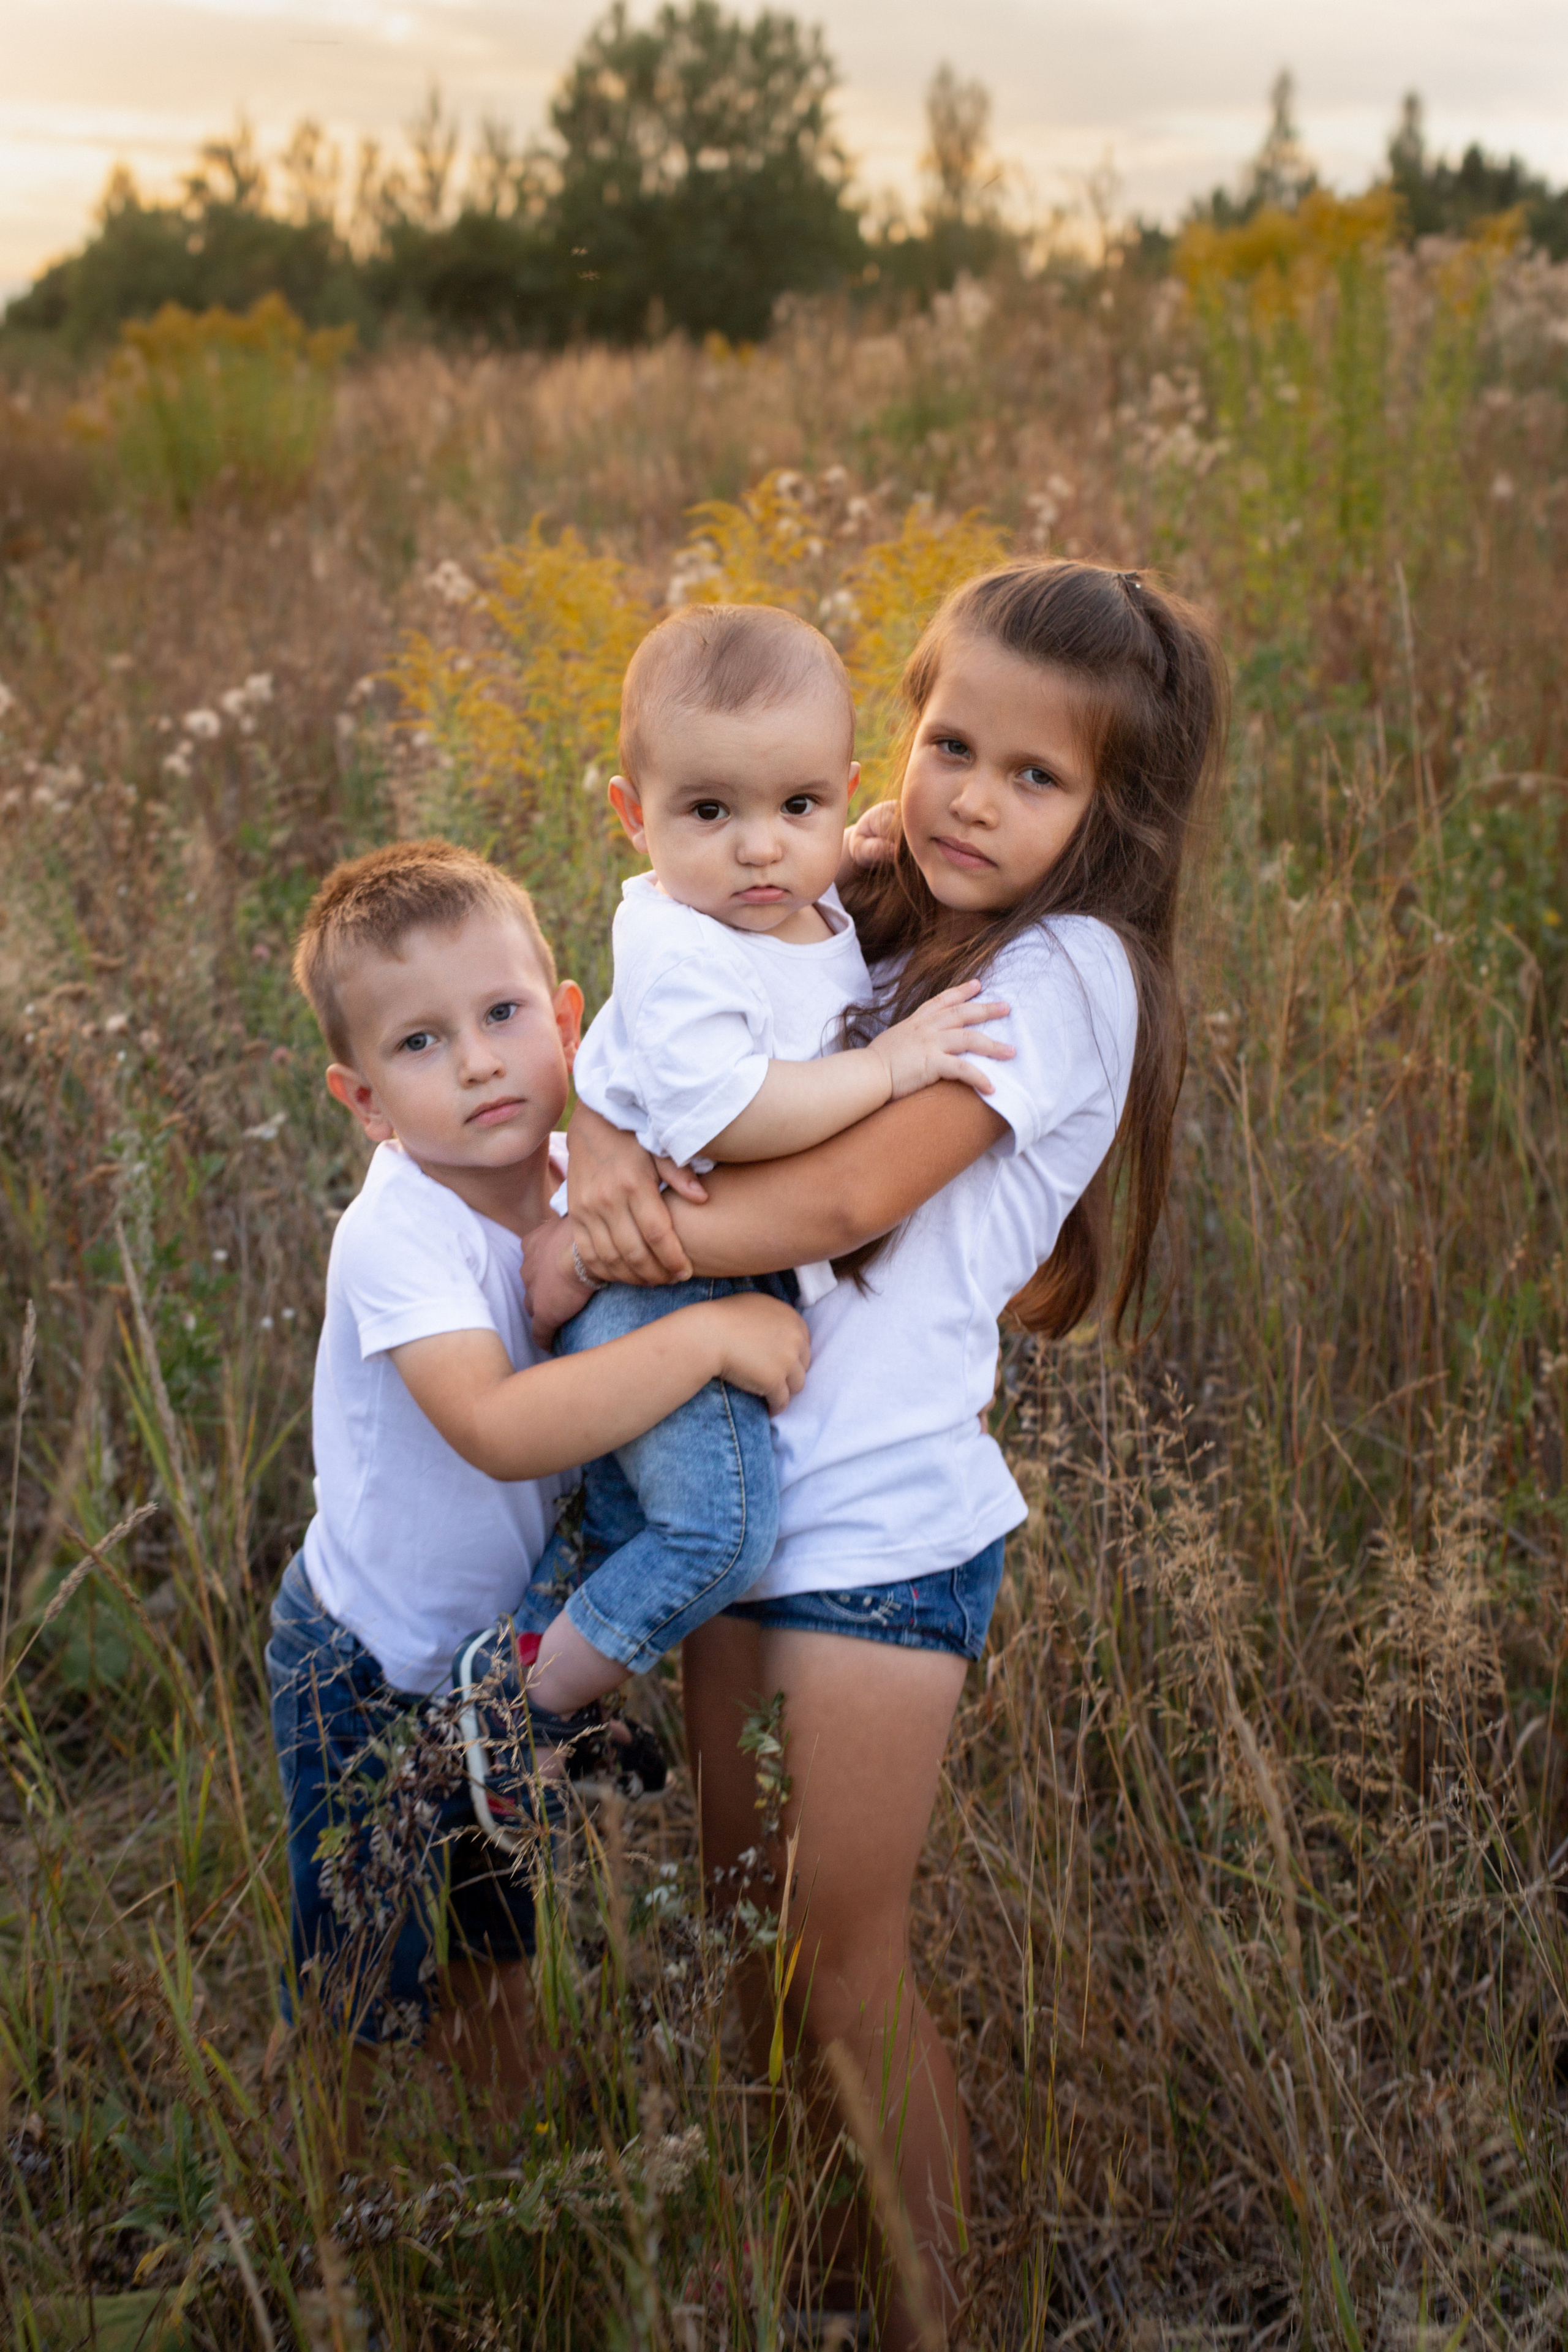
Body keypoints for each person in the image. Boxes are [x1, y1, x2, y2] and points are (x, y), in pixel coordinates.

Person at [527, 560, 1227, 2344]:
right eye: (950, 745)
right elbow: (663, 1016)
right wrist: (603, 1130)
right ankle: (812, 2292)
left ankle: (944, 2315)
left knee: (844, 1970)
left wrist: (603, 1231)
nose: (973, 796)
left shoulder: (1067, 971)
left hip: (882, 1529)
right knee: (743, 1928)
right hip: (741, 1500)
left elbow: (845, 1189)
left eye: (1037, 774)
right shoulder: (857, 904)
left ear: (1115, 813)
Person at [265, 837, 808, 2128]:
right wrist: (711, 1339)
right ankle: (322, 2206)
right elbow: (502, 1428)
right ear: (364, 1102)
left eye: (502, 1015)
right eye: (418, 1045)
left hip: (501, 1671)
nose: (475, 1061)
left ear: (565, 1019)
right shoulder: (397, 1235)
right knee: (363, 1974)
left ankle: (503, 2163)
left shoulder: (573, 1179)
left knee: (496, 1946)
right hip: (367, 1663)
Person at [457, 602, 1009, 1787]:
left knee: (613, 1518)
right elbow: (732, 1115)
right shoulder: (680, 947)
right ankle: (517, 1716)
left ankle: (536, 1660)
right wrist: (897, 1065)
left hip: (688, 1261)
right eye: (710, 813)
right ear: (632, 815)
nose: (761, 849)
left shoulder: (790, 901)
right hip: (656, 1291)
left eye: (796, 807)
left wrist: (860, 849)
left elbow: (813, 931)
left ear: (845, 791)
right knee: (721, 1531)